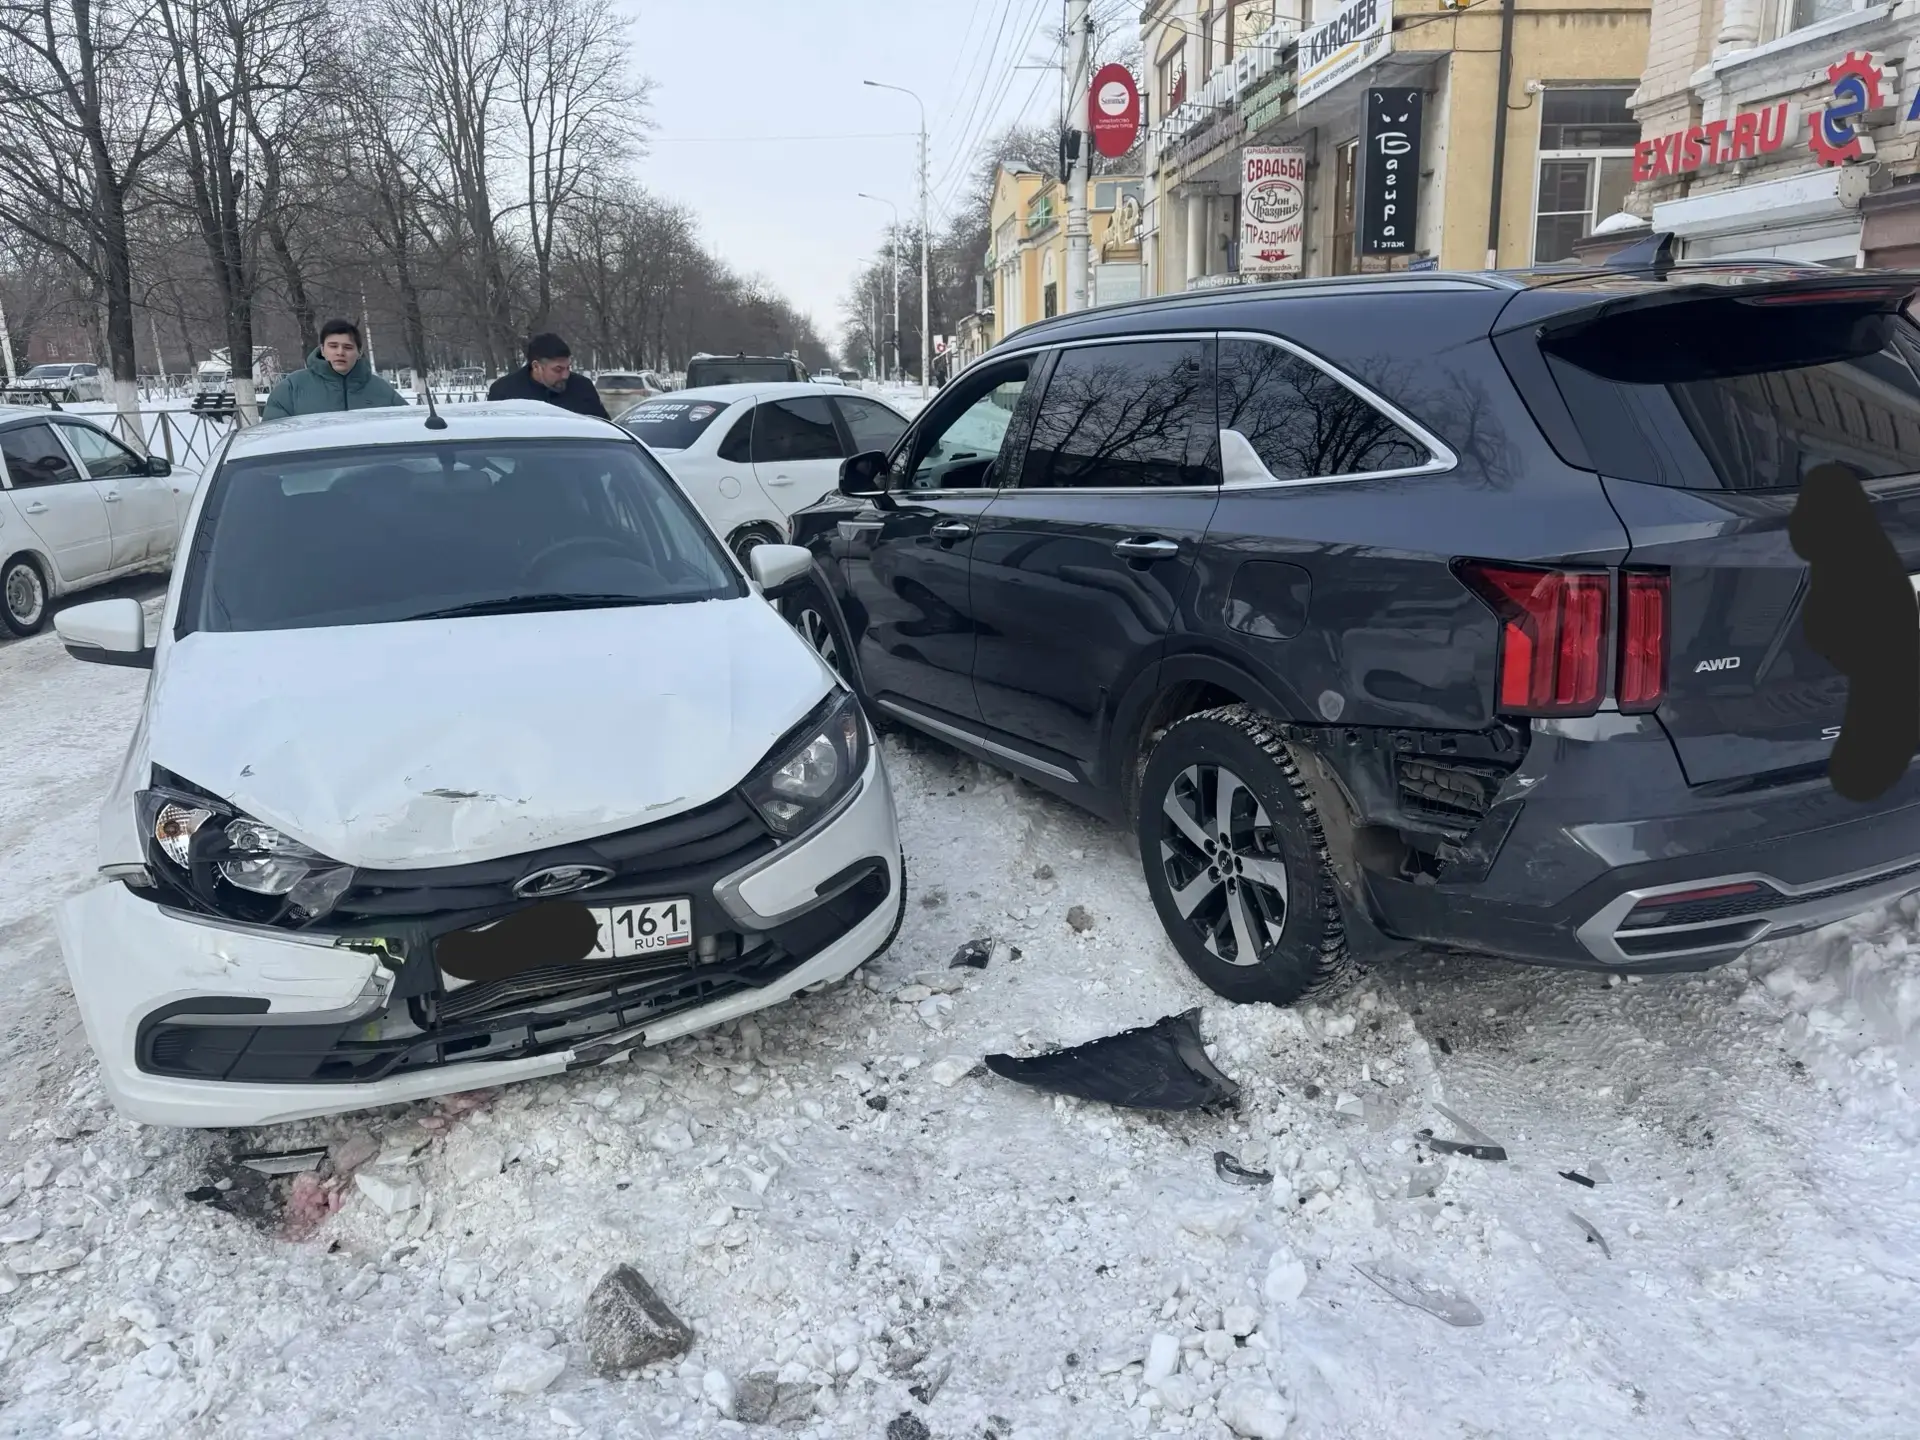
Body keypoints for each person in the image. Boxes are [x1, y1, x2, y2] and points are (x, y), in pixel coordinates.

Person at [260, 319, 406, 419]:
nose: (340, 352)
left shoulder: (381, 390)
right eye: (333, 346)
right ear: (322, 350)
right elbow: (273, 435)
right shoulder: (292, 388)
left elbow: (407, 427)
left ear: (359, 352)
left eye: (348, 347)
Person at [487, 333, 610, 419]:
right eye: (558, 369)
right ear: (536, 366)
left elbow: (604, 429)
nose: (565, 375)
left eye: (568, 367)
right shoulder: (504, 392)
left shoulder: (583, 387)